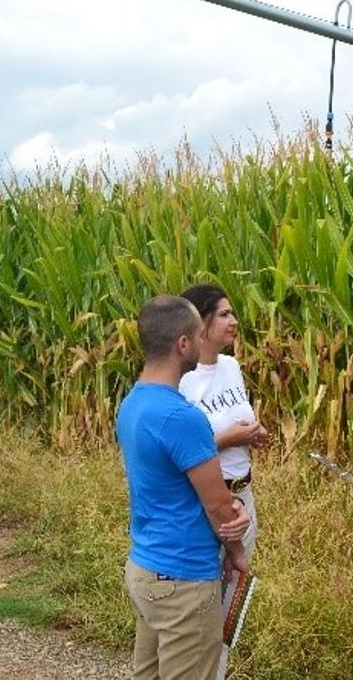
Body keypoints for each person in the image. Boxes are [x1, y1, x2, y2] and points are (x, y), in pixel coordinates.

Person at [117, 295, 251, 680]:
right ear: (182, 344)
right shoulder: (182, 417)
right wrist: (237, 547)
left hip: (146, 566)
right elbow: (219, 507)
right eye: (196, 334)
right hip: (184, 577)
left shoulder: (132, 403)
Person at [178, 283, 268, 680]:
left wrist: (253, 434)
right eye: (226, 314)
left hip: (242, 494)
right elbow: (180, 447)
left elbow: (237, 422)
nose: (235, 321)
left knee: (230, 604)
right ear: (203, 322)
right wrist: (232, 437)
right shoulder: (184, 381)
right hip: (209, 504)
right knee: (202, 606)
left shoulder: (231, 367)